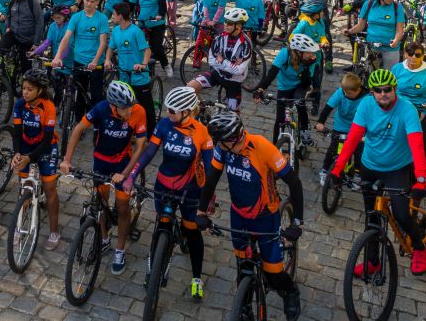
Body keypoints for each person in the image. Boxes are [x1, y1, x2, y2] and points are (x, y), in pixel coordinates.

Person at [198, 111, 305, 321]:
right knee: (243, 266)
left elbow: (294, 182)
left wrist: (297, 223)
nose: (218, 145)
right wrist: (201, 212)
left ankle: (291, 291)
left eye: (222, 141)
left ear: (234, 138)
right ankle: (245, 306)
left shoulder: (261, 146)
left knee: (273, 275)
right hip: (239, 215)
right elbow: (212, 179)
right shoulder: (223, 148)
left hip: (266, 217)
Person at [329, 68, 426, 275]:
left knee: (401, 214)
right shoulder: (366, 105)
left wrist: (421, 179)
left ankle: (420, 249)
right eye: (378, 90)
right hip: (370, 167)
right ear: (372, 92)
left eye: (387, 89)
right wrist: (338, 169)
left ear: (395, 89)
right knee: (371, 218)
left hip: (397, 168)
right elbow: (353, 138)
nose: (383, 94)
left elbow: (417, 145)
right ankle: (373, 262)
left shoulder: (407, 109)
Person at [123, 86, 212, 302]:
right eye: (168, 110)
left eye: (173, 111)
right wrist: (132, 176)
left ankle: (197, 278)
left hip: (190, 190)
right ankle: (153, 269)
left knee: (191, 232)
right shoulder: (164, 125)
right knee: (161, 225)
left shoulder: (201, 132)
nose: (168, 114)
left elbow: (211, 168)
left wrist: (208, 198)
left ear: (187, 112)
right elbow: (150, 151)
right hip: (164, 185)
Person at [61, 80, 148, 274]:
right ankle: (105, 239)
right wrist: (67, 160)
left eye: (131, 106)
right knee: (99, 202)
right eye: (125, 108)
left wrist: (125, 174)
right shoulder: (101, 109)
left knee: (123, 207)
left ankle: (120, 249)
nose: (130, 111)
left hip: (122, 162)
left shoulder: (138, 112)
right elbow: (78, 129)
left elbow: (141, 146)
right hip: (101, 161)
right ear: (114, 106)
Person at [12, 68, 63, 250]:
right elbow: (17, 132)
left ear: (40, 91)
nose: (25, 92)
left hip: (47, 147)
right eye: (23, 88)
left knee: (49, 188)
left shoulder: (48, 107)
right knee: (25, 187)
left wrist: (30, 158)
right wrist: (18, 153)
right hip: (27, 145)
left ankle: (54, 231)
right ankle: (18, 227)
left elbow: (48, 139)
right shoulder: (20, 104)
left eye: (29, 89)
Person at [253, 33, 321, 147]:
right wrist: (260, 89)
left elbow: (311, 83)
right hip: (284, 86)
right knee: (280, 119)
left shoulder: (312, 60)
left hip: (300, 86)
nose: (312, 55)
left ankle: (305, 132)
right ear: (299, 52)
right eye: (309, 52)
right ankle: (275, 146)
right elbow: (271, 73)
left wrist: (307, 70)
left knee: (300, 103)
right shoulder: (285, 54)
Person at [52, 0, 110, 119]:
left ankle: (97, 124)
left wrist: (95, 61)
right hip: (79, 62)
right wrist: (57, 57)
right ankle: (79, 121)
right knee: (78, 95)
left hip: (96, 63)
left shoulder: (102, 18)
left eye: (92, 1)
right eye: (87, 0)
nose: (88, 4)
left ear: (97, 2)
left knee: (96, 96)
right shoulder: (76, 17)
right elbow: (66, 38)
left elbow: (103, 43)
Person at [187, 6, 253, 111]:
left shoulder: (246, 43)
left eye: (230, 23)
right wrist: (230, 64)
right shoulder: (220, 37)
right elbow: (212, 61)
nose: (226, 25)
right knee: (189, 89)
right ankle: (203, 110)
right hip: (216, 74)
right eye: (226, 22)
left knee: (233, 115)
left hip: (234, 81)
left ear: (239, 26)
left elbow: (239, 70)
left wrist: (222, 60)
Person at [105, 2, 155, 124]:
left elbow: (147, 50)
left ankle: (151, 133)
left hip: (139, 76)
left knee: (146, 108)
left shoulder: (136, 31)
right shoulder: (116, 30)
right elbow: (111, 48)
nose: (112, 16)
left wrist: (143, 65)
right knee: (124, 106)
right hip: (124, 75)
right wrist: (107, 60)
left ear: (120, 16)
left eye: (114, 14)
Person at [315, 71, 367, 183]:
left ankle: (358, 173)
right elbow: (328, 107)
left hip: (357, 126)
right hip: (341, 124)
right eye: (344, 92)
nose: (346, 95)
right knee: (334, 147)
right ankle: (324, 170)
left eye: (349, 93)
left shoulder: (365, 98)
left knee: (358, 150)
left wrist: (365, 134)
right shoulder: (341, 93)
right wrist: (320, 122)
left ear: (358, 90)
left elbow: (369, 117)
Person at [391, 42, 426, 151]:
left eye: (418, 55)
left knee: (418, 144)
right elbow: (391, 88)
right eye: (410, 54)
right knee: (395, 141)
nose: (414, 57)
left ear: (422, 56)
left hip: (421, 109)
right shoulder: (397, 69)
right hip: (399, 108)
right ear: (405, 54)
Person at [348, 0, 405, 64]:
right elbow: (360, 25)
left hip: (390, 47)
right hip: (372, 45)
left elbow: (400, 30)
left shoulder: (397, 7)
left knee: (390, 75)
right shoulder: (369, 4)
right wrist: (349, 31)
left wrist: (396, 40)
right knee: (370, 73)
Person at [0, 0, 44, 75]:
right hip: (13, 35)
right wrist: (8, 27)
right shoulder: (12, 2)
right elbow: (8, 17)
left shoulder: (32, 3)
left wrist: (36, 43)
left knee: (25, 69)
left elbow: (40, 23)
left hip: (27, 39)